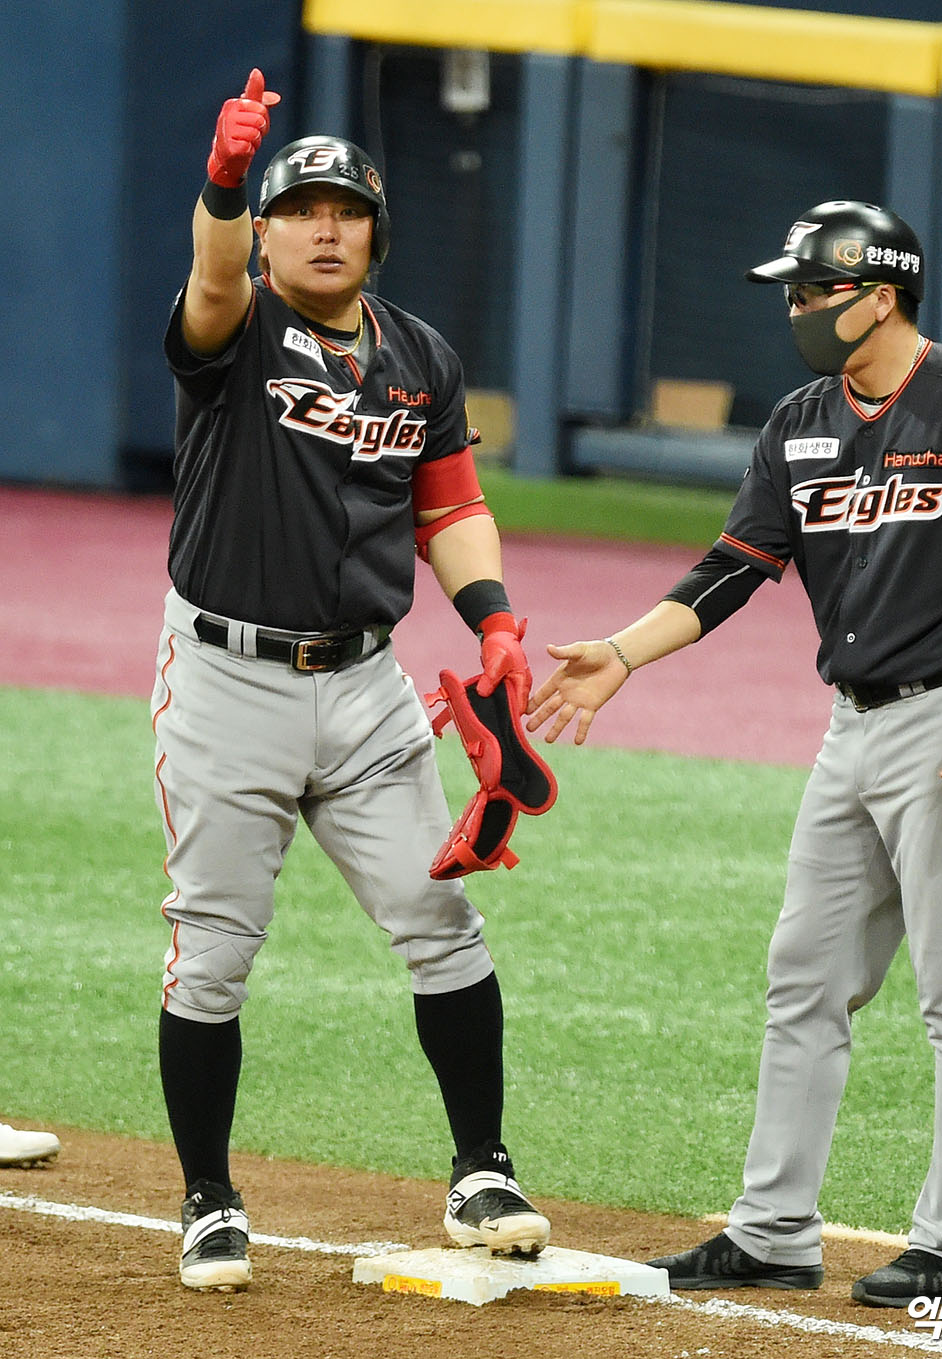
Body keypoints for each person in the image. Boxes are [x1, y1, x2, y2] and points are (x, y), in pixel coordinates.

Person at [527, 201, 942, 1308]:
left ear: (880, 295)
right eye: (791, 291)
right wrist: (623, 654)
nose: (795, 308)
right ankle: (774, 1230)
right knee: (805, 979)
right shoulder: (800, 420)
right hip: (853, 729)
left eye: (813, 289)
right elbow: (734, 565)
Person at [152, 68, 549, 1292]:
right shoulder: (239, 327)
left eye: (347, 211)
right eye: (299, 210)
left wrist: (493, 620)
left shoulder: (419, 356)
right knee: (214, 949)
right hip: (228, 684)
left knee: (441, 921)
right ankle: (209, 1199)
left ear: (377, 232)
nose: (325, 229)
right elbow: (210, 282)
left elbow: (451, 507)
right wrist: (225, 182)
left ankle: (481, 1170)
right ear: (268, 234)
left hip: (368, 688)